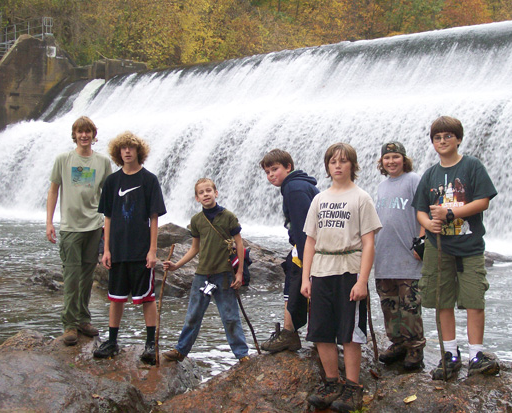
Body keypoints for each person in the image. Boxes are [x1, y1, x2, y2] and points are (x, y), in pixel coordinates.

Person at [412, 116, 499, 380]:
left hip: (470, 246)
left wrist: (452, 212)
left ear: (458, 139)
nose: (442, 141)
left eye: (448, 137)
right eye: (437, 138)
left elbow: (483, 201)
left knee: (474, 301)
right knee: (442, 301)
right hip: (439, 248)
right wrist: (429, 224)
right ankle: (450, 353)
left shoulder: (472, 166)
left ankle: (476, 354)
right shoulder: (430, 174)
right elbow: (420, 210)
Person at [301, 143, 381, 413]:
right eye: (333, 162)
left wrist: (362, 280)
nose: (337, 166)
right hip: (321, 270)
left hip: (349, 270)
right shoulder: (319, 199)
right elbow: (310, 241)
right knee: (321, 330)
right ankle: (332, 383)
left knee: (350, 332)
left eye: (343, 161)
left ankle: (353, 387)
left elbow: (369, 243)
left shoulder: (361, 198)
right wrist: (305, 278)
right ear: (327, 167)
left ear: (352, 166)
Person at [93, 131, 166, 363]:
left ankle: (149, 344)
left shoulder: (149, 180)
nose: (127, 151)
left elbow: (154, 218)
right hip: (117, 249)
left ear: (138, 151)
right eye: (123, 148)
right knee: (115, 297)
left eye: (131, 147)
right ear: (118, 152)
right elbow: (108, 217)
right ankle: (112, 341)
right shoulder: (112, 181)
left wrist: (152, 250)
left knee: (147, 298)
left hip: (140, 249)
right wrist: (106, 249)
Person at [162, 178, 250, 363]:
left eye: (209, 190)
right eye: (201, 193)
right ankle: (180, 351)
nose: (206, 194)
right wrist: (177, 265)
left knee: (230, 317)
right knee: (193, 315)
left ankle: (242, 355)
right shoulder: (196, 221)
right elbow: (195, 248)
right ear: (197, 198)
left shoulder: (228, 217)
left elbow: (239, 244)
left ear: (216, 193)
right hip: (202, 275)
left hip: (225, 274)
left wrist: (240, 273)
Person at [46, 116, 112, 346]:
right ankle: (69, 324)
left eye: (88, 132)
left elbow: (109, 196)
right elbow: (53, 191)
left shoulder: (102, 162)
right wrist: (49, 222)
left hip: (94, 227)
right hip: (71, 228)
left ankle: (84, 319)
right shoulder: (64, 159)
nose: (84, 136)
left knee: (86, 278)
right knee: (71, 278)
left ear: (94, 135)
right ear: (74, 135)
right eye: (80, 132)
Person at [259, 149, 319, 353]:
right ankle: (296, 333)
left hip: (308, 248)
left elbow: (304, 229)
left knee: (294, 287)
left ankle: (289, 334)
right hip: (313, 247)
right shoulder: (301, 184)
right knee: (296, 287)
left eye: (275, 169)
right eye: (267, 172)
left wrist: (305, 261)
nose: (271, 175)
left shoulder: (293, 189)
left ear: (288, 167)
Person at [374, 141, 426, 370]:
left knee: (410, 306)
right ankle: (397, 344)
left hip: (408, 257)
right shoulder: (381, 186)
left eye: (396, 157)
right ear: (382, 162)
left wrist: (422, 241)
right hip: (384, 257)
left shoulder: (413, 180)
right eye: (387, 158)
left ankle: (415, 348)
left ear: (404, 159)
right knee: (389, 305)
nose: (391, 161)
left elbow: (424, 210)